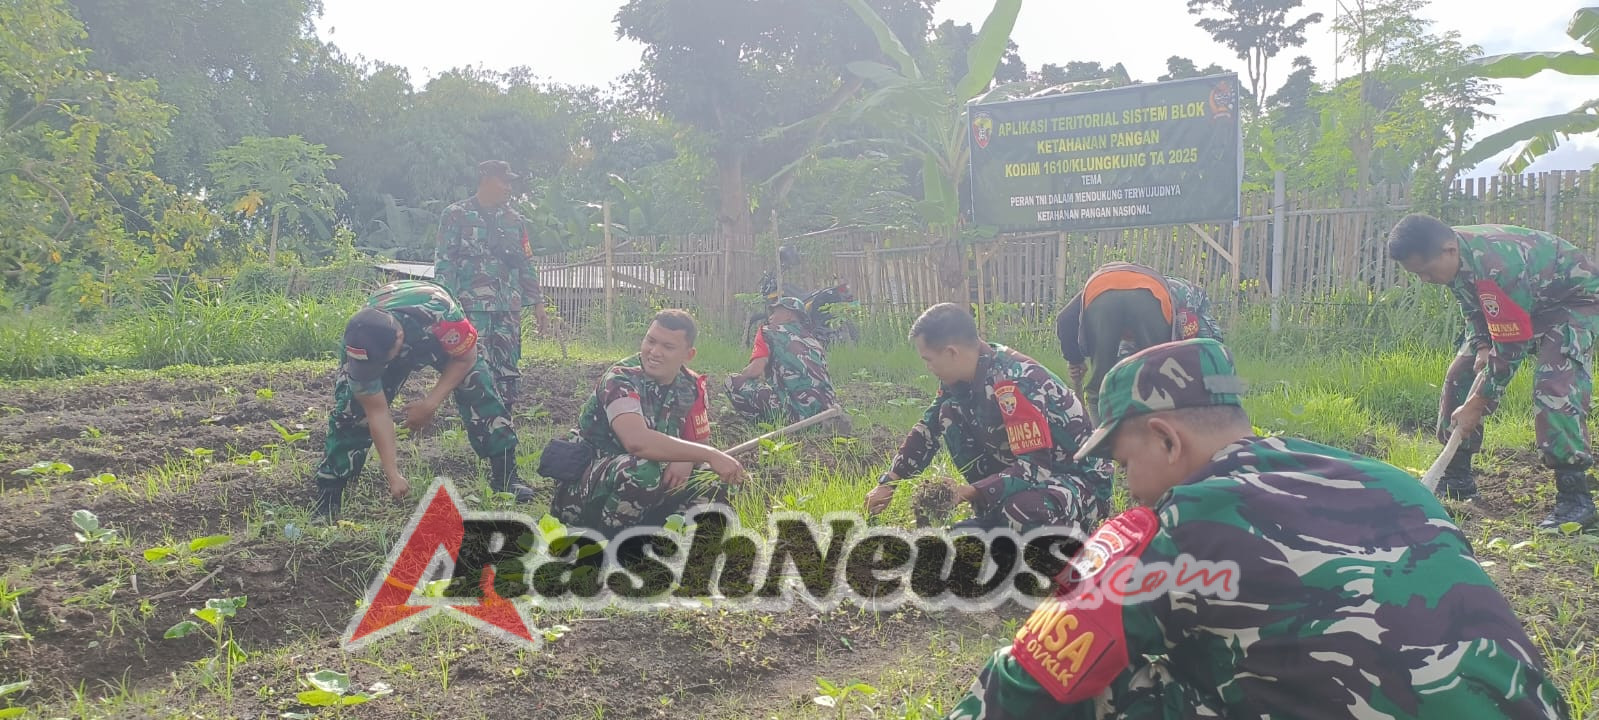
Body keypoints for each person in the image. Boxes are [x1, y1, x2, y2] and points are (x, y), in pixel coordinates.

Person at [945, 338, 1573, 720]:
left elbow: (1031, 671)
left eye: (1124, 462)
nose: (1127, 486)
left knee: (1093, 680)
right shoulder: (1392, 481)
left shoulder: (1180, 520)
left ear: (1166, 439)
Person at [1388, 213, 1599, 531]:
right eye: (1417, 274)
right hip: (1526, 302)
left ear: (1448, 250)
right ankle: (1456, 476)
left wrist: (1479, 402)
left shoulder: (1499, 263)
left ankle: (1575, 500)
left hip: (1572, 302)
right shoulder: (1455, 256)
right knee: (1461, 373)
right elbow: (1474, 307)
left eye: (1426, 271)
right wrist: (1482, 344)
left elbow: (1512, 348)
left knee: (1554, 385)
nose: (1425, 280)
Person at [864, 303, 1113, 539]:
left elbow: (1035, 468)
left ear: (952, 352)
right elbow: (928, 428)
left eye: (928, 359)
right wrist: (890, 482)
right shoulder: (960, 379)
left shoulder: (1014, 382)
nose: (927, 367)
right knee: (947, 414)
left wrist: (970, 492)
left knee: (1021, 510)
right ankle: (994, 519)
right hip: (1037, 477)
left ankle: (1070, 544)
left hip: (1079, 482)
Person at [311, 279, 535, 521]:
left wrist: (430, 404)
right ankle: (330, 493)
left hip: (431, 334)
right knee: (351, 409)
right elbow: (375, 411)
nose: (377, 369)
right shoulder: (360, 340)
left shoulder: (442, 315)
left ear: (399, 339)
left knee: (478, 384)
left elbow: (465, 359)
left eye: (381, 363)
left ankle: (506, 476)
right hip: (381, 341)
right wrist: (393, 474)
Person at [549, 310, 746, 534]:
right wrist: (706, 453)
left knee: (713, 474)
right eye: (650, 341)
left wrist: (689, 460)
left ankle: (678, 538)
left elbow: (699, 440)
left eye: (668, 347)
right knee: (642, 469)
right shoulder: (621, 378)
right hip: (585, 493)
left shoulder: (691, 385)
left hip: (650, 491)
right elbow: (637, 442)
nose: (654, 352)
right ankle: (609, 544)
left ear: (688, 354)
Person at [433, 160, 550, 413]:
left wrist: (538, 303)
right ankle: (478, 419)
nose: (509, 187)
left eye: (510, 182)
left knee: (508, 365)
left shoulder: (514, 220)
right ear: (486, 180)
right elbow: (445, 263)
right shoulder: (456, 215)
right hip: (470, 308)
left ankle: (504, 418)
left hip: (508, 307)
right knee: (473, 365)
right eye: (504, 181)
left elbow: (526, 263)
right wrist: (445, 307)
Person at [1054, 262, 1222, 419]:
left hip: (1100, 287)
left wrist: (1075, 359)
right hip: (1151, 293)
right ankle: (1160, 434)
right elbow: (1201, 344)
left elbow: (1064, 319)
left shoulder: (1189, 300)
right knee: (1159, 377)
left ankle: (1098, 440)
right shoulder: (1178, 298)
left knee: (1099, 386)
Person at [726, 296, 847, 431]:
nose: (771, 317)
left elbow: (755, 370)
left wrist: (744, 373)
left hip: (793, 414)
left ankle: (767, 426)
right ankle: (820, 426)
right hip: (826, 413)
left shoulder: (767, 331)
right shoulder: (815, 342)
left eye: (775, 312)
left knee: (731, 381)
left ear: (789, 314)